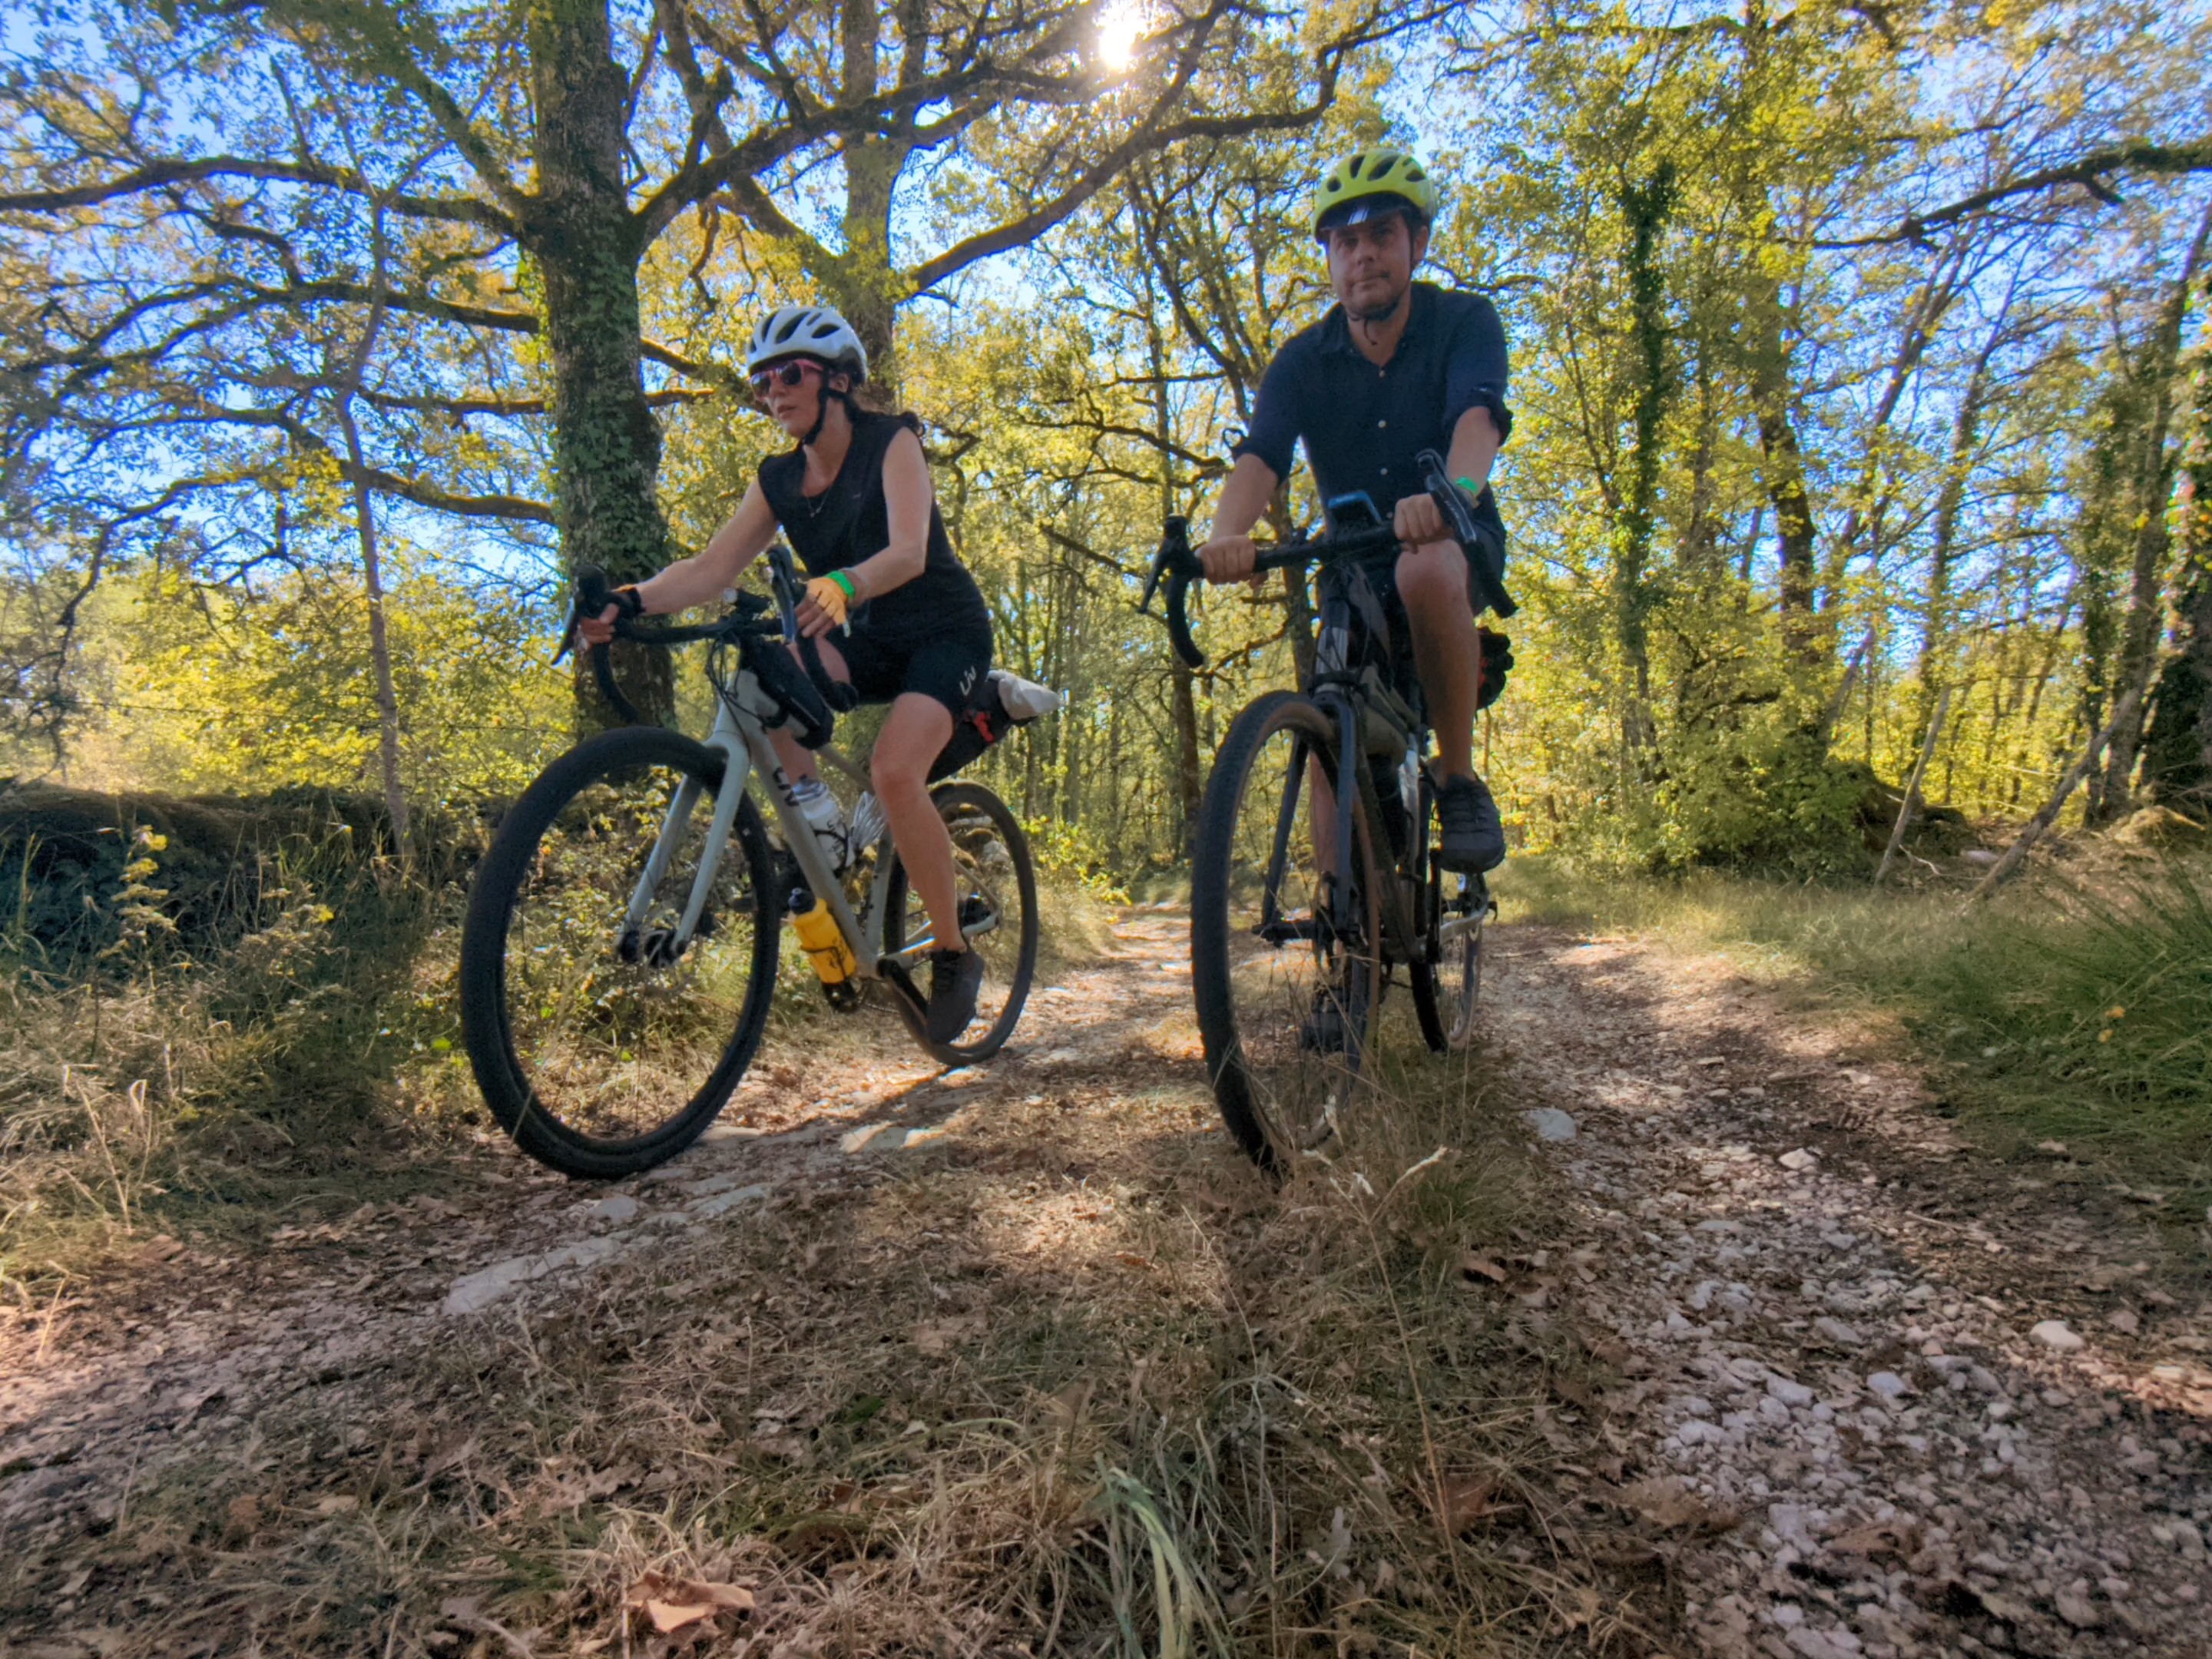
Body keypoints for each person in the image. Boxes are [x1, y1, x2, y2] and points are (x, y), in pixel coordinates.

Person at [578, 303, 994, 1042]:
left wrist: (844, 583)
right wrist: (630, 599)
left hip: (943, 633)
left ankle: (954, 955)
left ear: (837, 380)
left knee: (896, 772)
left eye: (789, 374)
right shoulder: (778, 479)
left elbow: (908, 551)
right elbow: (710, 570)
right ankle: (824, 823)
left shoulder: (892, 441)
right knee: (761, 678)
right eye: (762, 382)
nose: (774, 392)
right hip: (861, 633)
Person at [1197, 148, 1512, 876]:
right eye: (1346, 242)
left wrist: (1452, 497)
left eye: (1382, 237)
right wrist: (1224, 536)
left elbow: (1479, 419)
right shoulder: (1300, 362)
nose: (1363, 255)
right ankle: (1347, 948)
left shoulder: (1464, 322)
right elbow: (1261, 458)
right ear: (1330, 259)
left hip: (1451, 538)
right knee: (1328, 725)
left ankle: (1458, 780)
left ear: (1417, 244)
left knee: (1427, 566)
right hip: (1351, 570)